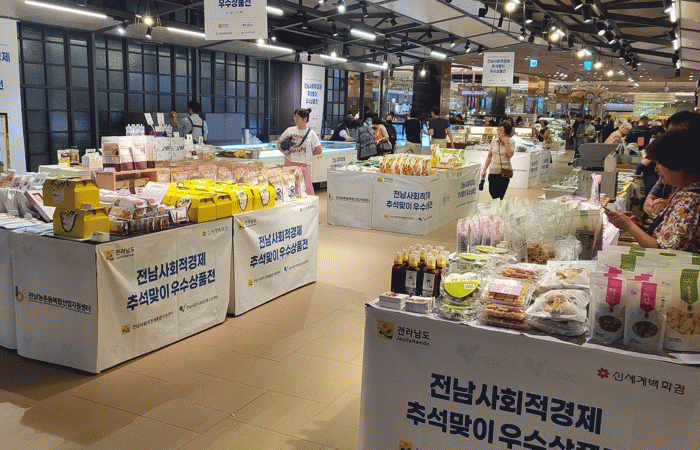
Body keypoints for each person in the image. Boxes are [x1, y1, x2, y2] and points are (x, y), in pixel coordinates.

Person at [606, 130, 700, 253]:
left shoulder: (690, 200)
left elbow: (663, 251)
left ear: (677, 163)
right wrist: (642, 227)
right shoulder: (685, 192)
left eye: (660, 163)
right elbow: (670, 236)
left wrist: (629, 226)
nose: (656, 169)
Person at [643, 111, 700, 218]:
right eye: (670, 134)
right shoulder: (669, 172)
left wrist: (668, 205)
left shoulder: (691, 199)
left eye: (680, 135)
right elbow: (652, 196)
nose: (672, 140)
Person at [276, 108, 321, 195]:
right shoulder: (289, 130)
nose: (295, 119)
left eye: (298, 117)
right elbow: (279, 143)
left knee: (305, 189)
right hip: (289, 164)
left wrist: (308, 153)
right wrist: (283, 151)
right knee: (288, 189)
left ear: (305, 119)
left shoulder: (311, 133)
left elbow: (318, 150)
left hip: (303, 165)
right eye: (295, 116)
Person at [480, 121, 515, 200]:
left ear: (506, 131)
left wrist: (506, 143)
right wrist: (484, 169)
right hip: (493, 171)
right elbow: (489, 156)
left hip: (505, 172)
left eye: (501, 130)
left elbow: (509, 155)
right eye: (498, 130)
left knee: (500, 196)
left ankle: (497, 207)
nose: (498, 132)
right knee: (492, 191)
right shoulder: (494, 141)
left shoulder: (511, 142)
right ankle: (497, 206)